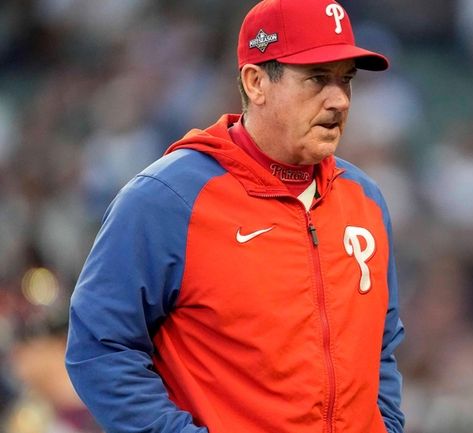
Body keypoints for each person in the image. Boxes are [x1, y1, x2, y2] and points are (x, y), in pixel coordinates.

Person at [64, 1, 406, 432]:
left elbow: (381, 347)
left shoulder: (366, 200)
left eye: (346, 80)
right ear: (256, 81)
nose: (338, 100)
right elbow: (99, 346)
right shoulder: (169, 199)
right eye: (317, 79)